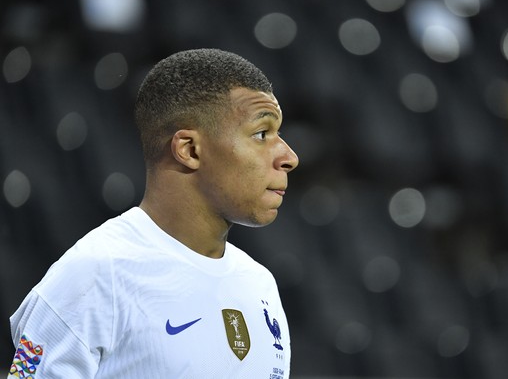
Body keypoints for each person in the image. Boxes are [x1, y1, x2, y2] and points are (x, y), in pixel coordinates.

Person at [7, 48, 299, 378]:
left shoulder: (258, 284)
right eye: (262, 134)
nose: (289, 156)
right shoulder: (95, 276)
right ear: (189, 149)